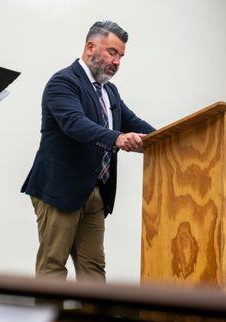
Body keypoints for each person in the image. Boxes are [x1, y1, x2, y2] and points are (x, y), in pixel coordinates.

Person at [21, 21, 155, 282]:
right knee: (53, 267)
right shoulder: (63, 82)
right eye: (112, 52)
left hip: (95, 193)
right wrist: (117, 138)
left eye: (121, 56)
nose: (117, 62)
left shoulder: (110, 91)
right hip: (59, 189)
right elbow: (75, 124)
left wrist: (172, 140)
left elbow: (134, 123)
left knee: (93, 270)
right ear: (90, 47)